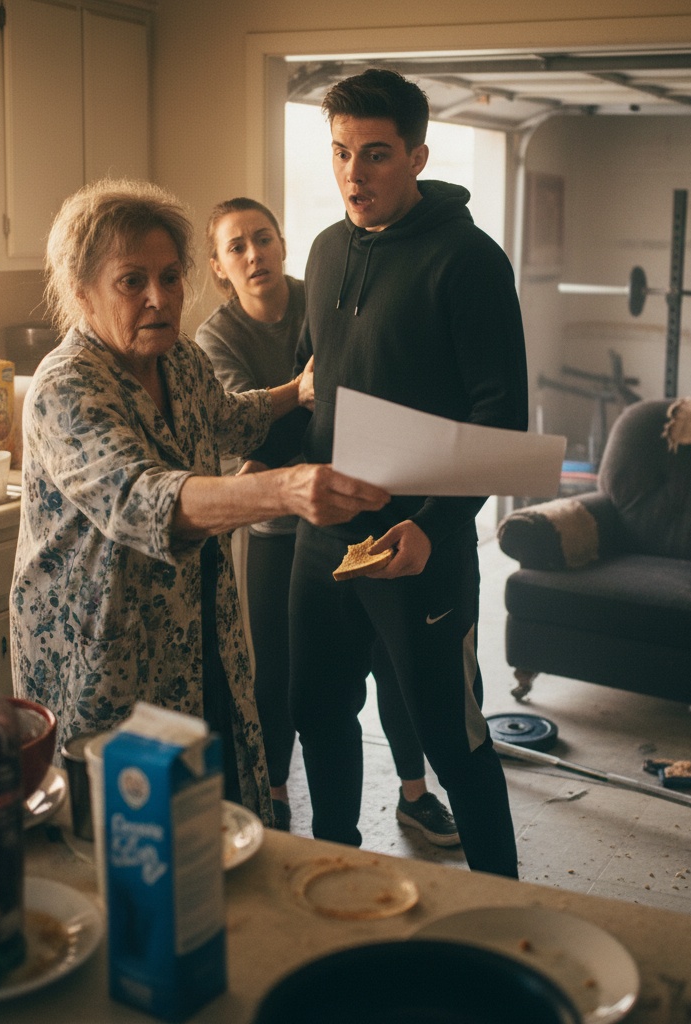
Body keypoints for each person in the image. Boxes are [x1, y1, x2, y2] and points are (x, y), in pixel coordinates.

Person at [9, 178, 389, 826]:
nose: (159, 298)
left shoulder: (177, 358)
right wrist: (286, 489)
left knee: (205, 811)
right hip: (100, 644)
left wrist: (292, 392)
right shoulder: (65, 386)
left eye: (169, 277)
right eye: (132, 281)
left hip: (196, 622)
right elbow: (141, 498)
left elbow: (222, 418)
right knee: (122, 833)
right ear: (81, 292)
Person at [263, 69, 528, 877]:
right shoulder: (325, 249)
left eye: (375, 155)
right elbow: (319, 390)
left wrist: (434, 525)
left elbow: (501, 420)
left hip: (421, 547)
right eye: (341, 153)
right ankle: (335, 874)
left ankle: (500, 904)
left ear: (416, 156)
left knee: (454, 739)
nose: (353, 174)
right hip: (324, 542)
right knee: (319, 715)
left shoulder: (470, 261)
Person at [195, 197, 459, 846]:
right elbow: (246, 437)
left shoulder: (327, 293)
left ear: (283, 245)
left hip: (359, 516)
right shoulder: (216, 339)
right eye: (237, 247)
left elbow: (367, 394)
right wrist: (304, 397)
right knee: (282, 678)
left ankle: (415, 796)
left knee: (390, 668)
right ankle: (277, 799)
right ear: (219, 268)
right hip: (273, 532)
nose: (254, 254)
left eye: (263, 239)